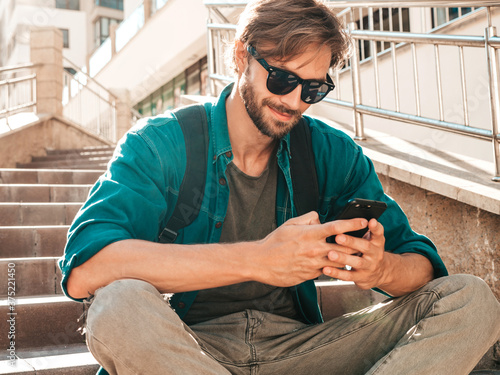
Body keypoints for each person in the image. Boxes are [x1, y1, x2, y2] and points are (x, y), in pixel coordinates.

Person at [59, 0, 500, 374]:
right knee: (117, 304)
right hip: (189, 350)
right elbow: (85, 270)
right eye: (282, 79)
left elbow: (423, 266)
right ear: (240, 56)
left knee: (472, 300)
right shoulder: (161, 145)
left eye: (313, 89)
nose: (294, 102)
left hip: (304, 348)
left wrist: (380, 270)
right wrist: (259, 259)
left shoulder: (331, 153)